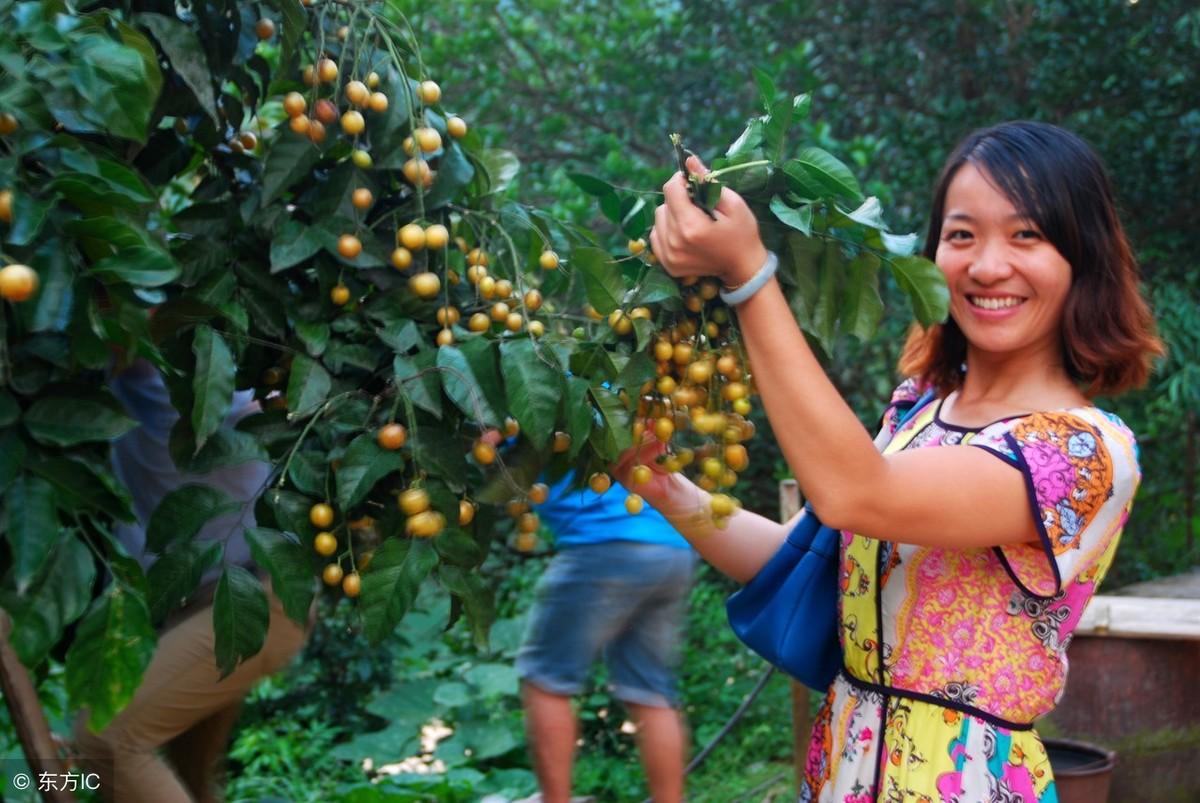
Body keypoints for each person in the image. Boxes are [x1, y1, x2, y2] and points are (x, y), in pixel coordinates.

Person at [620, 121, 1163, 801]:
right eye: (962, 235)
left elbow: (855, 493)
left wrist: (748, 274)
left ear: (1082, 260)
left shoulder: (1083, 453)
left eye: (1027, 235)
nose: (988, 265)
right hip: (841, 769)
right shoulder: (917, 411)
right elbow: (804, 552)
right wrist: (658, 481)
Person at [73, 358, 310, 803]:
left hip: (252, 602)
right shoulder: (107, 375)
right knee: (178, 777)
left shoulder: (197, 377)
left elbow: (260, 408)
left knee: (108, 741)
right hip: (182, 611)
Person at [514, 472, 697, 803]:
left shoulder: (511, 417)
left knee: (545, 681)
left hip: (602, 544)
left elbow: (489, 439)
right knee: (650, 689)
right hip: (670, 546)